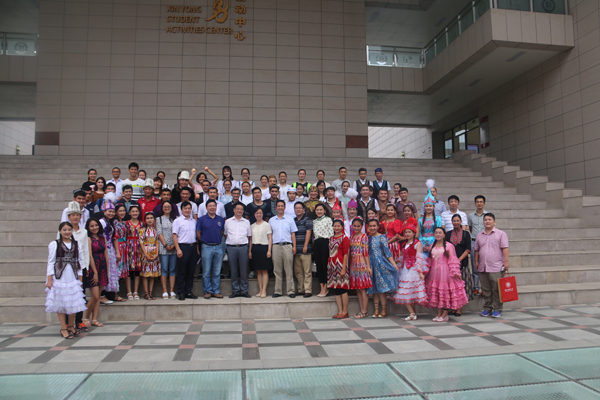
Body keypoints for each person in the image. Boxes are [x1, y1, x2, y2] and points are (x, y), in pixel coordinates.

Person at [46, 222, 87, 339]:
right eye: (64, 230)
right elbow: (51, 262)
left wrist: (80, 278)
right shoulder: (55, 244)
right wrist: (49, 279)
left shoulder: (76, 244)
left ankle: (71, 326)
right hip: (60, 276)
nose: (67, 232)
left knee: (74, 301)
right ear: (60, 231)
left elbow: (79, 261)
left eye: (69, 229)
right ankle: (63, 328)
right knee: (61, 301)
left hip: (73, 275)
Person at [58, 202, 90, 332]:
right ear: (69, 217)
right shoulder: (64, 231)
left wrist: (86, 267)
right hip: (67, 267)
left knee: (80, 294)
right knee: (68, 294)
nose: (75, 217)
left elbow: (85, 250)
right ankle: (67, 323)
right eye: (73, 215)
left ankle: (79, 321)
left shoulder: (84, 232)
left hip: (80, 267)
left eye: (77, 215)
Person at [425, 227, 469, 322]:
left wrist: (456, 272)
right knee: (437, 293)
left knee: (445, 293)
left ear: (444, 234)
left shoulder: (449, 246)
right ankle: (439, 314)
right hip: (434, 273)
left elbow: (453, 260)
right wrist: (425, 272)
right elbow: (429, 261)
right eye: (436, 233)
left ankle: (445, 314)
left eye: (440, 233)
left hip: (445, 273)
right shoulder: (431, 246)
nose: (438, 234)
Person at [474, 213, 509, 318]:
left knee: (497, 289)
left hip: (496, 266)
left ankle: (497, 309)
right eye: (485, 220)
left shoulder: (501, 234)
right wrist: (476, 261)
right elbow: (476, 250)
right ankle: (487, 308)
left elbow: (505, 248)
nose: (487, 221)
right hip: (483, 266)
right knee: (486, 289)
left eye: (489, 219)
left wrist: (506, 261)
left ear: (494, 221)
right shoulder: (479, 235)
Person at [393, 220, 428, 321]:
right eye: (406, 232)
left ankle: (412, 313)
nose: (407, 234)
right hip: (405, 268)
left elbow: (419, 258)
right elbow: (402, 256)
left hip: (413, 268)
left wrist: (420, 272)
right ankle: (412, 313)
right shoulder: (404, 244)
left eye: (410, 232)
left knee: (407, 291)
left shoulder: (417, 243)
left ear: (414, 233)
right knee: (407, 291)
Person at [367, 219, 399, 318]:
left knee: (381, 289)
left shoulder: (382, 237)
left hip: (380, 264)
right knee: (374, 289)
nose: (372, 228)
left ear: (377, 227)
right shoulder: (367, 238)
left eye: (374, 226)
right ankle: (376, 310)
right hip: (370, 265)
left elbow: (387, 252)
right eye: (370, 226)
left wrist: (394, 264)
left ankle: (384, 310)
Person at [446, 214, 474, 316]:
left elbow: (468, 249)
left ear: (461, 221)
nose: (456, 222)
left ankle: (459, 308)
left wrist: (458, 260)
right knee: (452, 287)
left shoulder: (466, 234)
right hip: (450, 265)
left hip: (462, 264)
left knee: (461, 287)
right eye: (454, 221)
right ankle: (453, 307)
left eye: (458, 221)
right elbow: (446, 248)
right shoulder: (448, 234)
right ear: (452, 222)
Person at [196, 199, 225, 299]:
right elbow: (198, 233)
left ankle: (216, 291)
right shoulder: (202, 219)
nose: (212, 207)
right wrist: (205, 240)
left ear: (216, 207)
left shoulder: (220, 219)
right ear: (206, 208)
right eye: (210, 206)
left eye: (214, 206)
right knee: (206, 272)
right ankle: (208, 291)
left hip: (218, 247)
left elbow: (222, 232)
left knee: (217, 271)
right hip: (206, 247)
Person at [269, 200, 298, 298]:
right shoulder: (271, 220)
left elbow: (293, 234)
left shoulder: (290, 219)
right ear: (276, 208)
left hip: (287, 246)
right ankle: (278, 291)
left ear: (285, 208)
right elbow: (270, 235)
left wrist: (294, 246)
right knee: (277, 270)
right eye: (278, 206)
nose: (280, 208)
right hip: (276, 246)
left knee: (289, 269)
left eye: (282, 206)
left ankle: (290, 291)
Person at [83, 217, 108, 327]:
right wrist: (95, 272)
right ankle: (85, 317)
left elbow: (106, 254)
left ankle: (94, 319)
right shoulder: (88, 239)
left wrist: (107, 270)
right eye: (92, 226)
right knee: (95, 296)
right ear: (88, 228)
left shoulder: (103, 238)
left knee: (98, 297)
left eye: (96, 225)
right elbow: (90, 256)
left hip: (103, 267)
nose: (94, 227)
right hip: (93, 267)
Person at [99, 195, 124, 303]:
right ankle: (101, 295)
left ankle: (109, 295)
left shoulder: (110, 222)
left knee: (110, 271)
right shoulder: (102, 222)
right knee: (104, 271)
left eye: (113, 212)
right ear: (104, 211)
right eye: (109, 211)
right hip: (104, 249)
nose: (111, 213)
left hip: (110, 249)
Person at [224, 203, 252, 298]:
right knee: (233, 269)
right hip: (231, 248)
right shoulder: (228, 222)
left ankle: (244, 290)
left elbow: (248, 236)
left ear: (243, 211)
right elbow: (226, 234)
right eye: (237, 209)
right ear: (234, 210)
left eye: (241, 209)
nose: (239, 211)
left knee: (244, 270)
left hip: (243, 247)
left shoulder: (247, 222)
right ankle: (235, 290)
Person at [172, 201, 198, 301]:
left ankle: (188, 291)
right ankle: (181, 292)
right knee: (181, 271)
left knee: (190, 272)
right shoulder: (177, 221)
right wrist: (178, 249)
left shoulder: (193, 221)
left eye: (189, 208)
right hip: (183, 247)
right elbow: (174, 235)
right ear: (181, 209)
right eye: (185, 208)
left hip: (192, 247)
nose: (187, 210)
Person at [348, 217, 371, 318]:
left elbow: (365, 252)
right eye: (354, 226)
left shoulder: (364, 237)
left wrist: (368, 267)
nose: (356, 228)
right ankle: (361, 310)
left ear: (362, 226)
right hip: (353, 263)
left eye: (358, 226)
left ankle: (364, 311)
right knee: (357, 288)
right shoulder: (351, 237)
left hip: (361, 262)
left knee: (362, 288)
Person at [327, 219, 350, 319]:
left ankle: (345, 311)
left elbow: (346, 254)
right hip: (332, 266)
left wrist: (343, 268)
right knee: (336, 289)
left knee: (342, 288)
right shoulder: (331, 238)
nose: (336, 228)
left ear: (342, 227)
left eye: (338, 226)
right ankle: (340, 311)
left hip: (340, 265)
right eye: (335, 226)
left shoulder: (344, 238)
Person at [249, 208, 272, 297]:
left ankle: (264, 290)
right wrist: (250, 251)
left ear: (263, 214)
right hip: (255, 248)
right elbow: (251, 240)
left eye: (260, 213)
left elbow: (269, 238)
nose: (258, 215)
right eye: (257, 213)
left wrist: (269, 250)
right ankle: (260, 290)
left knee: (264, 270)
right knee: (258, 271)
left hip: (264, 248)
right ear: (254, 214)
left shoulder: (267, 225)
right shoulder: (252, 226)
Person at [157, 201, 177, 299]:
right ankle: (164, 290)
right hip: (163, 247)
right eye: (165, 206)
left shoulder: (176, 219)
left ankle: (172, 290)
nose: (167, 208)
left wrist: (174, 245)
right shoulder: (159, 219)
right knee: (164, 269)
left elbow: (178, 232)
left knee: (172, 269)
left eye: (169, 206)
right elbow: (159, 233)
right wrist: (165, 245)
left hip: (174, 247)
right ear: (162, 208)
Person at [468, 195, 488, 296]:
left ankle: (485, 288)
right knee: (474, 264)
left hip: (485, 242)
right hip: (474, 241)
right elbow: (471, 228)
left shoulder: (488, 215)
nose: (479, 203)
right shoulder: (471, 216)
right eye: (477, 202)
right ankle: (476, 287)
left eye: (481, 202)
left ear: (484, 203)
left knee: (485, 266)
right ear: (475, 203)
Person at [418, 180, 443, 257]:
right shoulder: (420, 220)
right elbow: (419, 234)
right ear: (424, 207)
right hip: (422, 244)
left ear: (433, 207)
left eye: (430, 206)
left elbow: (439, 232)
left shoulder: (438, 219)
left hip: (435, 243)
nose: (428, 208)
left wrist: (430, 245)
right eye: (426, 206)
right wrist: (422, 244)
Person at [312, 203, 333, 297]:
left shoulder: (328, 220)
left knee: (325, 266)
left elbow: (331, 233)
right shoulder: (314, 221)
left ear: (324, 210)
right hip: (317, 244)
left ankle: (326, 287)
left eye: (321, 210)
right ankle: (321, 287)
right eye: (317, 210)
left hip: (325, 243)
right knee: (319, 266)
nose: (319, 211)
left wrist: (330, 246)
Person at [293, 202, 313, 298]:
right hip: (296, 250)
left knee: (307, 271)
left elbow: (309, 232)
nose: (298, 210)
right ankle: (300, 289)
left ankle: (308, 290)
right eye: (296, 208)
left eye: (300, 208)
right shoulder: (293, 220)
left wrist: (305, 246)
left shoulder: (307, 219)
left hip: (306, 250)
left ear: (304, 209)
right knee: (298, 272)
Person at [139, 212, 160, 300]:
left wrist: (157, 253)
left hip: (154, 252)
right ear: (145, 220)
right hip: (146, 252)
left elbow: (157, 242)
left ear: (154, 219)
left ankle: (151, 293)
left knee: (152, 275)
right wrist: (146, 254)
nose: (149, 220)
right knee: (145, 274)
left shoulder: (156, 230)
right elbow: (141, 243)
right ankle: (146, 293)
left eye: (151, 218)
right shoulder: (142, 230)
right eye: (147, 218)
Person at [124, 204, 144, 300]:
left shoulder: (142, 223)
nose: (135, 213)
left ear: (139, 212)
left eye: (136, 211)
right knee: (128, 270)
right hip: (129, 247)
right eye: (133, 211)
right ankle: (129, 292)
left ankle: (135, 291)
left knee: (137, 270)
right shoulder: (126, 223)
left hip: (139, 247)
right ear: (129, 213)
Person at [113, 204, 129, 283]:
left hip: (123, 245)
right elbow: (115, 238)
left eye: (123, 210)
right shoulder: (115, 223)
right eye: (120, 211)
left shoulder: (123, 223)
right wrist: (117, 252)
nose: (122, 212)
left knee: (122, 268)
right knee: (117, 268)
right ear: (116, 212)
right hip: (118, 246)